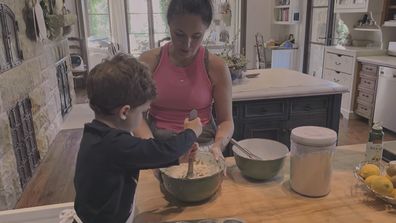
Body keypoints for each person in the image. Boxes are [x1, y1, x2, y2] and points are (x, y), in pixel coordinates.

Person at [73, 53, 202, 223]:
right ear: (125, 112)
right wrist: (191, 133)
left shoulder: (97, 134)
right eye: (142, 112)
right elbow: (160, 151)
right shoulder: (114, 145)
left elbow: (142, 156)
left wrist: (179, 158)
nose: (143, 118)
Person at [135, 0, 234, 159]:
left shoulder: (217, 67)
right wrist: (151, 149)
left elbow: (226, 122)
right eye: (179, 34)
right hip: (159, 142)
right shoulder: (149, 62)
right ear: (169, 25)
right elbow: (137, 114)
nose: (187, 45)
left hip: (202, 143)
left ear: (206, 30)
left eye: (196, 36)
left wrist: (218, 146)